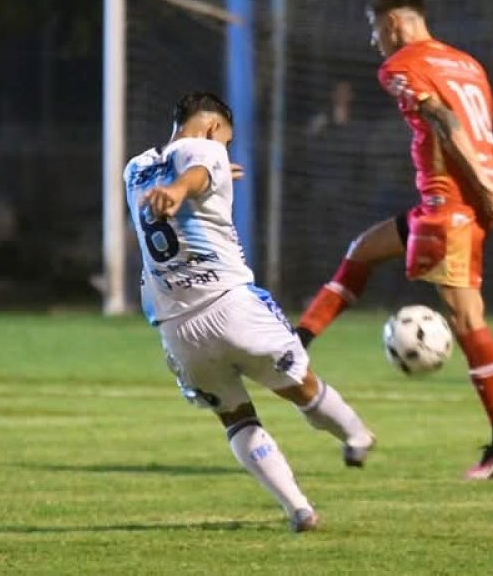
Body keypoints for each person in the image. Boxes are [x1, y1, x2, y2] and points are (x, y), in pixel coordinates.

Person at [295, 0, 493, 480]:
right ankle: (297, 342)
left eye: (375, 30)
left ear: (396, 25)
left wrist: (486, 191)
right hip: (452, 200)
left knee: (466, 320)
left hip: (454, 203)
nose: (375, 42)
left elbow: (446, 121)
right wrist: (488, 186)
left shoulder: (401, 66)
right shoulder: (467, 64)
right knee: (363, 250)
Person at [124, 91, 376, 533]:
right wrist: (189, 184)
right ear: (211, 129)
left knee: (235, 417)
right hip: (231, 305)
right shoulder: (204, 151)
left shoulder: (135, 169)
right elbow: (198, 172)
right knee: (301, 386)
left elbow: (194, 173)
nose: (224, 151)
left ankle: (298, 508)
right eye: (225, 141)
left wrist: (199, 179)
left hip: (177, 326)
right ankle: (356, 437)